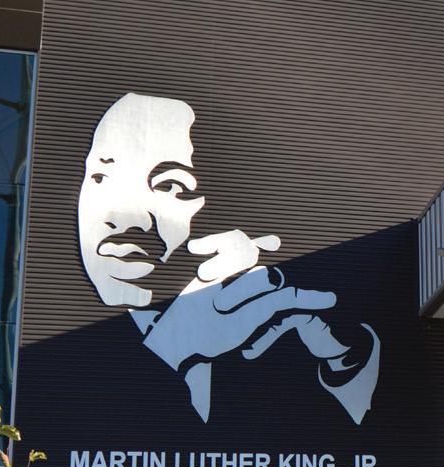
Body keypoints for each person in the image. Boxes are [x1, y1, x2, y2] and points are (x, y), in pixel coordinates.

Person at [76, 93, 380, 423]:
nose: (127, 216)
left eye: (170, 186)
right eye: (100, 177)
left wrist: (345, 356)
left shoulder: (265, 324)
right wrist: (174, 350)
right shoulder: (50, 348)